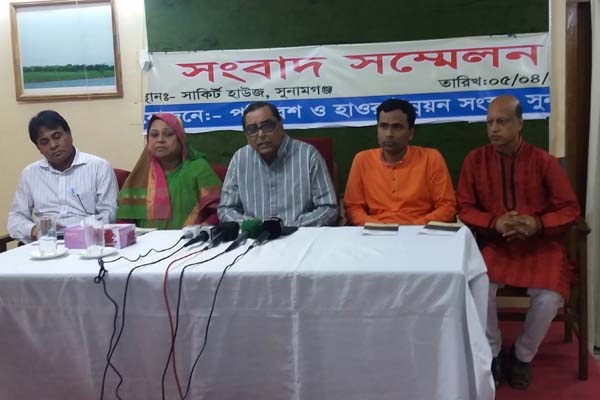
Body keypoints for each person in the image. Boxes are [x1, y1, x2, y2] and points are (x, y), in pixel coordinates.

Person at [456, 95, 580, 389]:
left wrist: (536, 224)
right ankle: (494, 351)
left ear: (520, 123)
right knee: (479, 284)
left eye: (502, 121)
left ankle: (523, 356)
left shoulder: (543, 161)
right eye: (489, 122)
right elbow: (464, 207)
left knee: (550, 296)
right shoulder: (475, 160)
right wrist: (495, 222)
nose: (494, 128)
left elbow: (569, 208)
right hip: (497, 245)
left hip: (540, 246)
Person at [218, 101, 338, 226]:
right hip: (256, 235)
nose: (261, 134)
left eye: (267, 126)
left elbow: (329, 209)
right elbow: (226, 210)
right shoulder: (240, 159)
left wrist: (289, 228)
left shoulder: (308, 155)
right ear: (246, 134)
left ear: (280, 125)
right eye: (252, 129)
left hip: (299, 233)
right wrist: (254, 227)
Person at [7, 110, 118, 243]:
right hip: (45, 244)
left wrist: (76, 232)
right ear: (39, 148)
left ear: (69, 134)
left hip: (87, 243)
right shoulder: (29, 174)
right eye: (44, 142)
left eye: (57, 136)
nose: (53, 145)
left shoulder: (99, 167)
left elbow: (109, 215)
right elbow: (15, 218)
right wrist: (34, 230)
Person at [343, 98, 456, 225]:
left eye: (397, 127)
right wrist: (377, 227)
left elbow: (447, 206)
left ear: (411, 133)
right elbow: (353, 207)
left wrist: (413, 227)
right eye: (383, 126)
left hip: (421, 230)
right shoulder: (362, 160)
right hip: (375, 231)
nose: (389, 134)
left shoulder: (431, 158)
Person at [117, 113, 221, 229]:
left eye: (169, 134)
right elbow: (123, 217)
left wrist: (203, 228)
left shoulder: (198, 168)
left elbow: (218, 211)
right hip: (144, 239)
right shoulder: (141, 173)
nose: (160, 140)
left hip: (190, 238)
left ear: (181, 138)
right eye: (154, 135)